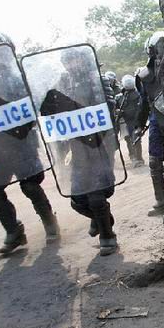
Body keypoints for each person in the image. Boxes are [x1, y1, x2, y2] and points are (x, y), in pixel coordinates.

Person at [0, 31, 59, 253]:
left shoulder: (20, 77)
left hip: (22, 143)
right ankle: (14, 231)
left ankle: (50, 224)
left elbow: (33, 106)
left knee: (30, 185)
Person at [39, 47, 117, 256]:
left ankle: (107, 236)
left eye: (75, 60)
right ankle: (102, 220)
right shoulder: (62, 82)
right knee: (78, 200)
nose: (72, 64)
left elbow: (109, 109)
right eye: (68, 61)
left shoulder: (96, 80)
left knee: (96, 195)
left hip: (99, 145)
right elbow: (49, 110)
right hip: (77, 147)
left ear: (83, 60)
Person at [135, 30, 164, 216]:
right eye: (158, 47)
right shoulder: (144, 75)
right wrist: (138, 124)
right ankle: (161, 201)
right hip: (155, 122)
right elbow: (144, 102)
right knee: (154, 162)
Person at [117, 74, 145, 168]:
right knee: (131, 139)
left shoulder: (138, 94)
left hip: (134, 120)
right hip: (127, 121)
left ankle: (138, 158)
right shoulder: (121, 97)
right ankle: (135, 158)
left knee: (134, 139)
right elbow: (117, 109)